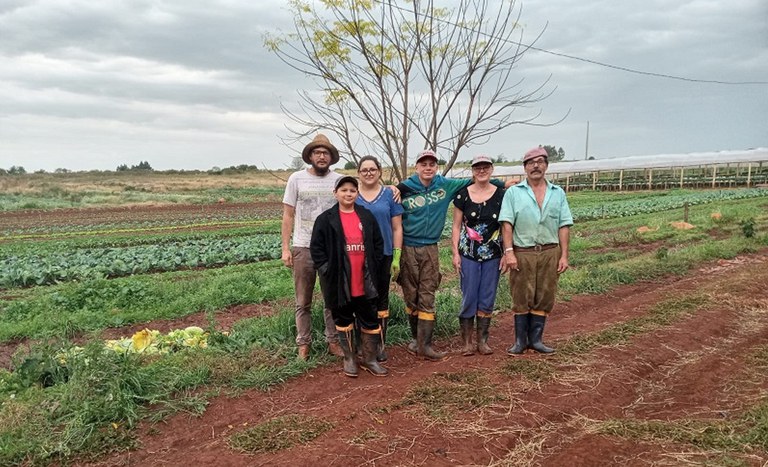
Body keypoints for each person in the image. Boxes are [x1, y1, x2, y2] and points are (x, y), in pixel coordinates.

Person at [397, 150, 508, 361]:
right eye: (424, 164)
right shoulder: (406, 187)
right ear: (417, 167)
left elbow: (476, 177)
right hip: (407, 247)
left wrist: (502, 183)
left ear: (436, 167)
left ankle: (426, 345)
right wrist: (393, 188)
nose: (428, 167)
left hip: (431, 246)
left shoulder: (445, 185)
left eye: (432, 164)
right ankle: (415, 339)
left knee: (428, 293)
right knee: (411, 294)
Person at [310, 176, 388, 377]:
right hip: (340, 281)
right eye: (344, 190)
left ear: (357, 193)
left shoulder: (366, 216)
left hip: (365, 280)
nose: (348, 194)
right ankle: (350, 358)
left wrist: (375, 265)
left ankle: (369, 359)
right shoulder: (326, 219)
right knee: (343, 318)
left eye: (352, 190)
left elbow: (378, 244)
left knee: (370, 318)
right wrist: (327, 269)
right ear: (336, 193)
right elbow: (317, 249)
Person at [499, 146, 573, 355]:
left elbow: (564, 225)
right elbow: (506, 224)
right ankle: (520, 341)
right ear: (525, 168)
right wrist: (509, 251)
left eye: (540, 161)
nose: (536, 166)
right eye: (531, 162)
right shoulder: (514, 193)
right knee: (521, 295)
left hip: (550, 251)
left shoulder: (557, 193)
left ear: (546, 166)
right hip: (523, 252)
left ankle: (537, 340)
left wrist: (564, 255)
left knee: (545, 294)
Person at [281, 134, 344, 360]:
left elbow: (359, 195)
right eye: (317, 152)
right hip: (303, 247)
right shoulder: (296, 179)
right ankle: (303, 344)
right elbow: (288, 215)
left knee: (331, 299)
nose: (321, 156)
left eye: (325, 153)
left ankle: (333, 341)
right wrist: (286, 248)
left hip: (331, 249)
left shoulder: (340, 180)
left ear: (331, 157)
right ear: (310, 156)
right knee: (303, 300)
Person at [451, 155, 507, 356]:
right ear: (472, 171)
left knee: (487, 296)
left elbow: (506, 225)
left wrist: (507, 252)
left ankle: (482, 341)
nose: (481, 171)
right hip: (468, 254)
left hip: (493, 254)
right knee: (469, 296)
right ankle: (466, 342)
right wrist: (455, 253)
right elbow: (456, 226)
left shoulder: (501, 194)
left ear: (492, 169)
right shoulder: (462, 195)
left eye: (485, 167)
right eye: (477, 167)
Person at [356, 156, 404, 362]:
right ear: (358, 173)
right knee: (360, 299)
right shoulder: (352, 195)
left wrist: (397, 256)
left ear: (379, 172)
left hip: (383, 254)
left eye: (372, 169)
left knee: (381, 299)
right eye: (364, 170)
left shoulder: (389, 195)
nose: (368, 173)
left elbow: (397, 227)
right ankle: (362, 345)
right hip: (358, 255)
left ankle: (380, 344)